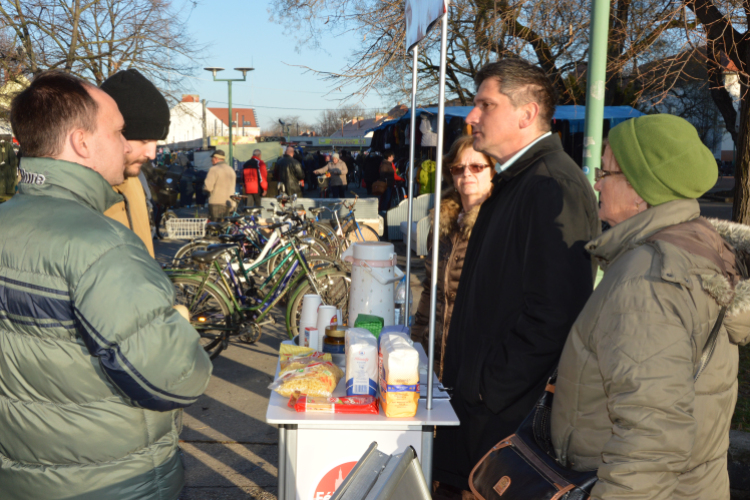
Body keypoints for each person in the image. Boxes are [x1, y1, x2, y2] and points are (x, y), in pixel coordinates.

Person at [1, 70, 212, 499]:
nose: (126, 142)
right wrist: (176, 324)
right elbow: (177, 377)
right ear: (82, 142)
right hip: (114, 480)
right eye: (118, 131)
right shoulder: (103, 244)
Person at [550, 115, 750, 499]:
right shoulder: (700, 249)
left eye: (604, 172)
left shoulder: (648, 280)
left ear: (640, 191)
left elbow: (651, 437)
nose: (595, 182)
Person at [432, 59, 599, 498]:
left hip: (505, 428)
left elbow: (555, 313)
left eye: (486, 104)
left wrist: (486, 387)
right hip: (482, 416)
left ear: (526, 113)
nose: (471, 117)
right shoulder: (519, 180)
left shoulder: (550, 185)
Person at [411, 135, 495, 381]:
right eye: (459, 168)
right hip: (435, 356)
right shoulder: (441, 225)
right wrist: (415, 340)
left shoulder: (496, 225)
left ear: (493, 171)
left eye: (477, 166)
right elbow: (430, 288)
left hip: (475, 364)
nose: (467, 173)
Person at [100, 69, 168, 257]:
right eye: (144, 141)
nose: (152, 154)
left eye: (156, 142)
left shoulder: (135, 180)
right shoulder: (79, 195)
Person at [204, 149, 236, 220]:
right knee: (226, 225)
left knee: (215, 227)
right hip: (230, 203)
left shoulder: (213, 169)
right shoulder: (231, 169)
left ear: (215, 158)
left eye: (212, 158)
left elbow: (208, 187)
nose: (211, 160)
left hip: (217, 204)